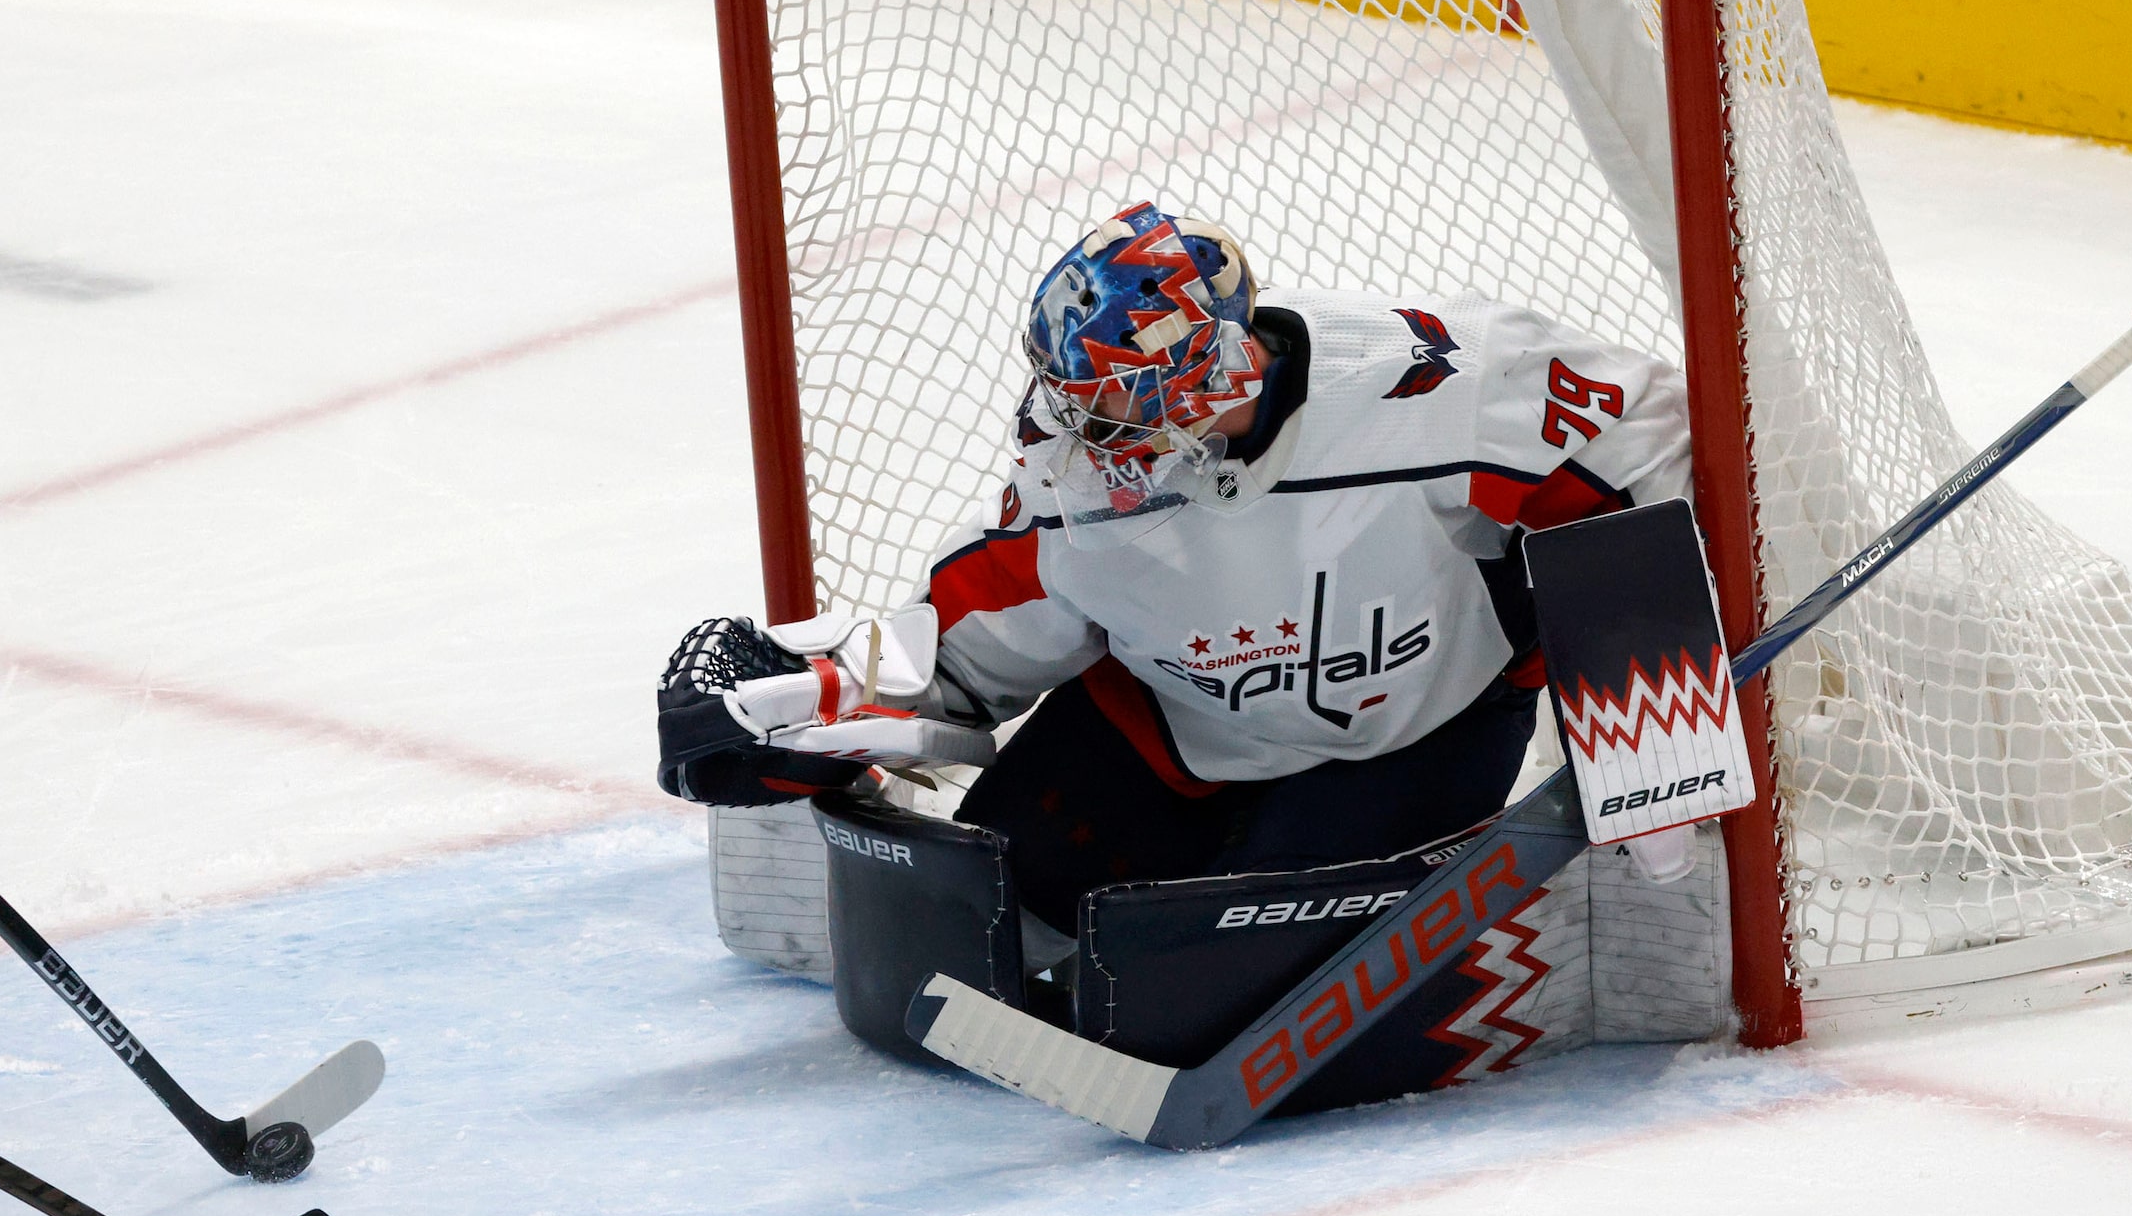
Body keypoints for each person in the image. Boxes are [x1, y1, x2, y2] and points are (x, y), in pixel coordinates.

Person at [660, 201, 1692, 1005]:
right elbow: (991, 624)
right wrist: (832, 694)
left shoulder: (1435, 396)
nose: (1071, 427)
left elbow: (1646, 432)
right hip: (1168, 727)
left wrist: (1647, 709)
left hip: (1415, 732)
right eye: (1070, 389)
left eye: (1106, 398)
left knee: (1247, 987)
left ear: (1205, 376)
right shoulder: (1079, 477)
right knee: (978, 932)